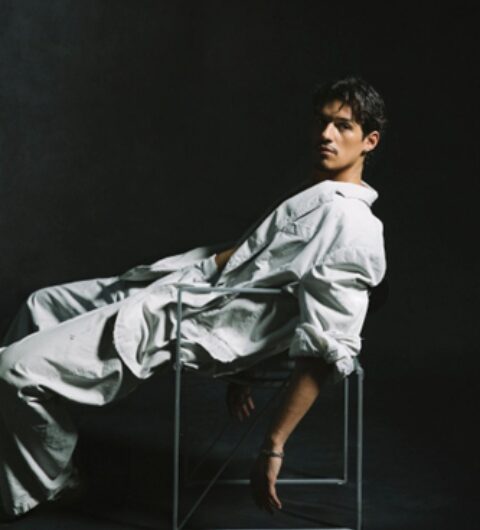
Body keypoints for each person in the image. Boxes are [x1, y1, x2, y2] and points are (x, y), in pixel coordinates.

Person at [0, 75, 387, 521]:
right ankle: (18, 443)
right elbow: (272, 290)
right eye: (321, 122)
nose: (325, 134)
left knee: (13, 371)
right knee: (40, 304)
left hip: (188, 314)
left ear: (369, 141)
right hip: (183, 281)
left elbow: (327, 344)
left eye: (343, 126)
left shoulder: (353, 225)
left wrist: (273, 445)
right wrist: (246, 372)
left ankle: (52, 481)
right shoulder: (315, 192)